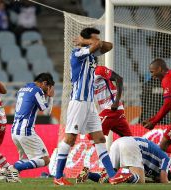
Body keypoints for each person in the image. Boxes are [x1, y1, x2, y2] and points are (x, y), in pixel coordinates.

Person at [53, 27, 133, 186]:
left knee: (100, 138)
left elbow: (108, 46)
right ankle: (58, 176)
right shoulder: (78, 54)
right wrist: (87, 42)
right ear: (86, 40)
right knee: (70, 138)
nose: (98, 40)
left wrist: (90, 41)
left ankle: (112, 175)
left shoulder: (90, 55)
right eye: (94, 38)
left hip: (89, 104)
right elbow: (97, 44)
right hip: (78, 101)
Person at [76, 65, 133, 183]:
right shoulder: (85, 79)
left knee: (93, 136)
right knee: (131, 142)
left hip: (112, 109)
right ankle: (97, 174)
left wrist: (116, 101)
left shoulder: (99, 70)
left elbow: (119, 79)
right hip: (113, 112)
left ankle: (98, 169)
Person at [11, 73, 55, 176]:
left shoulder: (22, 89)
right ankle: (10, 168)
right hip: (26, 131)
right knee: (45, 159)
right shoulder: (37, 90)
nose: (47, 90)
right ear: (44, 83)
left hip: (14, 131)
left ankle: (11, 173)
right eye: (48, 87)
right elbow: (46, 112)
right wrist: (51, 97)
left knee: (25, 159)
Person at [143, 58, 171, 156]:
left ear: (159, 69)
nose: (152, 75)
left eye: (152, 72)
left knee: (163, 145)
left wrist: (154, 122)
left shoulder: (167, 79)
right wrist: (152, 119)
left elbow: (168, 105)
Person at [77, 137, 171, 184]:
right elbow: (164, 179)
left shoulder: (153, 169)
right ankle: (123, 175)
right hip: (131, 145)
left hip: (118, 142)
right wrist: (168, 182)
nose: (156, 180)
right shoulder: (166, 159)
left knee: (108, 177)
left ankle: (89, 174)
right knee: (140, 181)